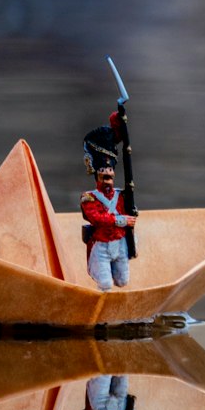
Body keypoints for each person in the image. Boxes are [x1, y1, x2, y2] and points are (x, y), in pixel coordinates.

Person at [81, 120, 136, 291]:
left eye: (110, 177)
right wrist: (121, 220)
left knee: (122, 281)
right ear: (97, 177)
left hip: (120, 244)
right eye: (104, 177)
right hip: (101, 244)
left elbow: (129, 212)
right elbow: (97, 218)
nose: (108, 182)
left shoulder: (121, 195)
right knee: (105, 284)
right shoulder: (89, 198)